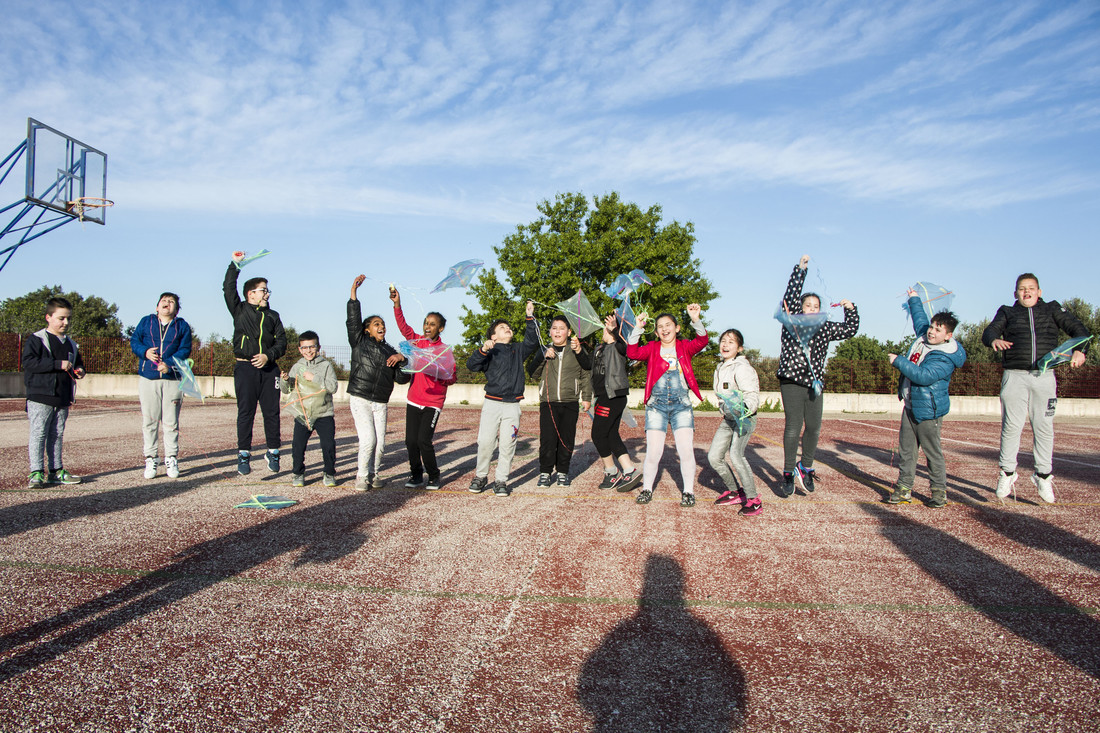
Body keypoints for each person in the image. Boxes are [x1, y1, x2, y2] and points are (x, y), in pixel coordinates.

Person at [982, 273, 1090, 503]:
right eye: (1022, 289)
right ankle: (1007, 473)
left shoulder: (1052, 309)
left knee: (1044, 427)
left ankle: (1042, 476)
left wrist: (1080, 351)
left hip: (1044, 377)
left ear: (1039, 292)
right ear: (1015, 294)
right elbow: (989, 331)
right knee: (1012, 426)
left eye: (1031, 288)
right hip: (1014, 376)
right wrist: (993, 340)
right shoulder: (1007, 312)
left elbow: (1080, 331)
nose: (1027, 292)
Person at [776, 255, 858, 497]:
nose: (811, 309)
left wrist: (850, 309)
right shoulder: (792, 321)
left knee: (813, 426)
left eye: (815, 306)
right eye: (807, 305)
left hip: (814, 383)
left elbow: (850, 329)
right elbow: (790, 296)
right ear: (800, 308)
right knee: (793, 426)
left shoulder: (825, 328)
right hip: (791, 379)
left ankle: (806, 466)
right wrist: (800, 270)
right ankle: (788, 472)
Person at [886, 293, 966, 508]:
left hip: (928, 410)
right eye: (932, 327)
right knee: (907, 451)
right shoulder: (924, 335)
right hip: (911, 405)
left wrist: (899, 362)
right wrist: (914, 299)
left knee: (932, 452)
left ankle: (939, 492)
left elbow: (923, 376)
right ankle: (904, 488)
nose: (931, 331)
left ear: (948, 335)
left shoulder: (945, 356)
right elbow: (919, 318)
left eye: (938, 330)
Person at [626, 305, 709, 507]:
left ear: (677, 328)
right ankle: (647, 489)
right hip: (656, 407)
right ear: (655, 332)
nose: (664, 329)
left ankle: (688, 491)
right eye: (660, 327)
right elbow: (632, 352)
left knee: (686, 451)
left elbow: (702, 341)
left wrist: (696, 319)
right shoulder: (652, 348)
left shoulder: (685, 346)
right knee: (654, 452)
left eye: (668, 325)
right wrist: (637, 328)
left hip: (682, 406)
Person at [466, 301, 539, 497]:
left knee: (508, 444)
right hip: (492, 403)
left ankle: (501, 481)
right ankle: (481, 476)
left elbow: (532, 341)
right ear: (493, 336)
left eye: (508, 327)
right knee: (485, 442)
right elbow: (472, 365)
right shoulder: (488, 351)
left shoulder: (518, 349)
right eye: (502, 328)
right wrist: (483, 350)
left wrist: (529, 317)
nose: (507, 329)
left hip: (512, 405)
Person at [224, 254, 287, 475]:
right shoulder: (240, 310)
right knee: (246, 412)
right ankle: (243, 455)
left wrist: (268, 356)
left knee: (272, 412)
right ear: (251, 294)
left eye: (267, 290)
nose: (267, 293)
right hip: (245, 369)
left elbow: (282, 342)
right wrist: (235, 265)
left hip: (270, 370)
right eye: (263, 290)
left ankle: (273, 451)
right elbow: (228, 288)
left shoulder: (273, 315)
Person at [347, 275, 410, 491]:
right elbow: (353, 318)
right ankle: (361, 476)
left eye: (382, 324)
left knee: (380, 445)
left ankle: (373, 475)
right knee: (368, 440)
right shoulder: (359, 340)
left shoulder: (390, 351)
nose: (381, 327)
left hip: (380, 401)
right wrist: (354, 292)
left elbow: (402, 379)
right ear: (367, 330)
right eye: (376, 324)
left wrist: (403, 360)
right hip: (360, 397)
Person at [390, 287, 456, 490]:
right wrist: (397, 304)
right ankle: (416, 474)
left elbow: (451, 377)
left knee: (423, 440)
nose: (428, 327)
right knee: (411, 441)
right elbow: (404, 328)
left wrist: (438, 372)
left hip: (433, 402)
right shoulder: (417, 342)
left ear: (440, 328)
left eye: (433, 324)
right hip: (414, 399)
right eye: (426, 323)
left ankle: (434, 476)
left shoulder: (444, 351)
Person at [23, 296, 86, 487]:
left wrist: (80, 370)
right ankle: (36, 472)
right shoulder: (36, 339)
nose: (65, 322)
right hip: (40, 396)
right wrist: (57, 364)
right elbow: (29, 362)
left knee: (57, 434)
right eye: (61, 318)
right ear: (48, 317)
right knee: (39, 433)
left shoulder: (71, 344)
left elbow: (77, 363)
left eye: (68, 318)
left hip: (63, 397)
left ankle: (56, 470)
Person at [130, 292, 192, 480]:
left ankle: (171, 458)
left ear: (176, 309)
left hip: (172, 380)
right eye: (164, 301)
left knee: (171, 422)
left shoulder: (182, 326)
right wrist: (145, 352)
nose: (167, 303)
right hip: (148, 379)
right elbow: (135, 342)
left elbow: (184, 349)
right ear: (157, 306)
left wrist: (170, 364)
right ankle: (151, 459)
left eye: (171, 301)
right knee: (149, 421)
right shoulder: (146, 322)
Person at [527, 315, 592, 487]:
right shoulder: (544, 349)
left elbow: (586, 373)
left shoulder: (576, 349)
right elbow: (532, 373)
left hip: (570, 401)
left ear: (569, 332)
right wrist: (543, 357)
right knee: (548, 439)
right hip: (548, 402)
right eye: (554, 328)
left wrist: (586, 397)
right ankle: (545, 472)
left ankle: (563, 471)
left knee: (566, 439)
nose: (557, 331)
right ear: (549, 332)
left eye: (561, 328)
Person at [707, 328, 763, 515]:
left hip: (744, 418)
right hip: (728, 418)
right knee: (714, 457)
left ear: (739, 348)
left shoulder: (742, 367)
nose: (725, 344)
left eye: (731, 342)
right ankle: (735, 492)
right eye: (723, 340)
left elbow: (751, 394)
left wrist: (745, 410)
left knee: (737, 456)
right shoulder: (720, 367)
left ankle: (754, 500)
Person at [280, 331, 339, 487]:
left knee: (328, 444)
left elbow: (333, 387)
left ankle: (329, 473)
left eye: (311, 347)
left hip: (323, 413)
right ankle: (298, 473)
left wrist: (314, 378)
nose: (308, 351)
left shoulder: (325, 365)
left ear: (318, 347)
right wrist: (284, 380)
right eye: (304, 348)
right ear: (300, 349)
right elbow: (286, 391)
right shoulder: (297, 367)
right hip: (303, 414)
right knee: (298, 445)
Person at [591, 313, 641, 491]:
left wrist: (615, 330)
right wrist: (578, 350)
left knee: (597, 434)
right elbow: (587, 366)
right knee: (611, 434)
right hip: (603, 396)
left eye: (606, 328)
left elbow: (626, 348)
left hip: (612, 396)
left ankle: (611, 472)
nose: (603, 330)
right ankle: (629, 470)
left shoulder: (617, 347)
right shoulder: (599, 349)